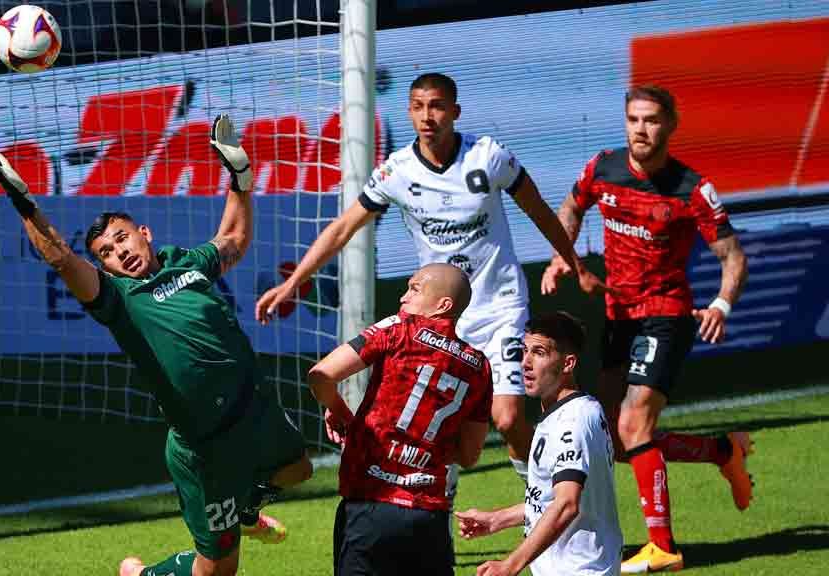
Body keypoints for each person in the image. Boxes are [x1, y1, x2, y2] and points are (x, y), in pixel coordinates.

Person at [0, 115, 313, 576]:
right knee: (218, 572)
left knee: (299, 470)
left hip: (253, 412)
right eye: (107, 254)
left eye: (121, 238)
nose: (119, 252)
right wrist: (24, 202)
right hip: (204, 447)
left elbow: (233, 239)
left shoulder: (185, 263)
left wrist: (240, 179)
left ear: (144, 233)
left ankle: (244, 506)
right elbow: (59, 258)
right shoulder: (117, 299)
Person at [257, 72, 605, 487]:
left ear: (455, 112)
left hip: (501, 306)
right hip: (442, 320)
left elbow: (540, 211)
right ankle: (440, 516)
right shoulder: (397, 172)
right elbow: (342, 228)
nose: (428, 116)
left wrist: (575, 264)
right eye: (419, 107)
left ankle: (543, 503)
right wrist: (294, 281)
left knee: (507, 418)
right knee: (439, 425)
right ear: (409, 112)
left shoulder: (489, 156)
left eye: (437, 106)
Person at [541, 85, 752, 573]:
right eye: (634, 119)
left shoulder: (692, 189)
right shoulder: (602, 168)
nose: (641, 129)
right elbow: (571, 208)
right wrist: (562, 256)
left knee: (633, 423)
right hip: (619, 313)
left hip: (667, 313)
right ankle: (723, 450)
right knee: (618, 440)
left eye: (652, 120)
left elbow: (733, 258)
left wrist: (721, 303)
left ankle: (663, 548)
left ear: (671, 125)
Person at [307, 263, 493, 576]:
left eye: (415, 289)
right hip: (428, 517)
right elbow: (469, 455)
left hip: (370, 505)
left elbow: (320, 375)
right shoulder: (480, 367)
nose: (403, 297)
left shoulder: (399, 328)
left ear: (443, 305)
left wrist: (338, 409)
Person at [456, 311, 621, 576]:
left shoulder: (572, 421)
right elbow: (550, 500)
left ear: (568, 363)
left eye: (540, 353)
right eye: (525, 351)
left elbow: (567, 504)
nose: (525, 363)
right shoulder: (566, 413)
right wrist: (497, 519)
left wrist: (510, 565)